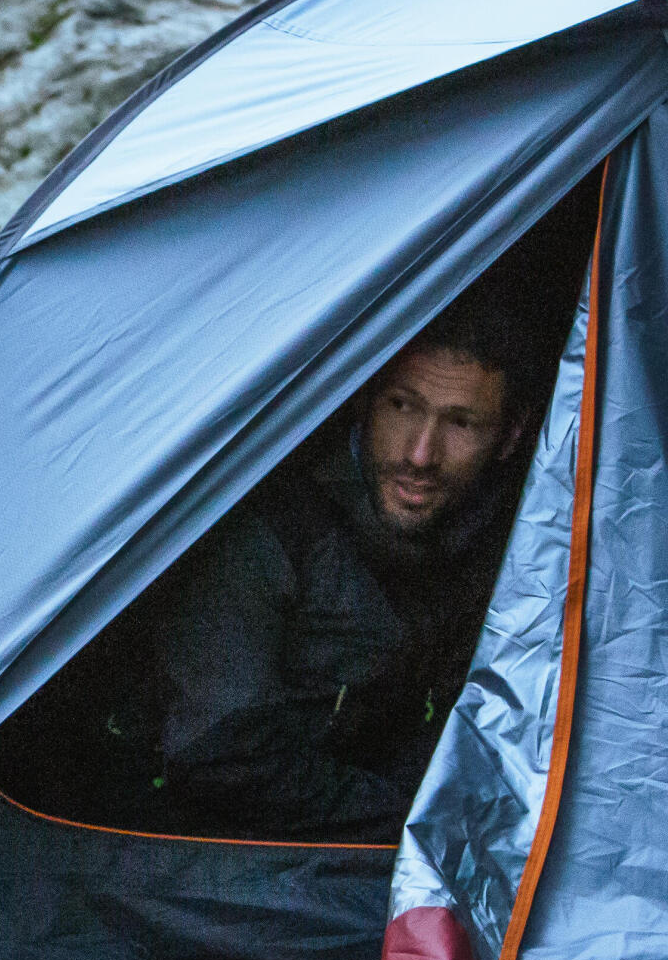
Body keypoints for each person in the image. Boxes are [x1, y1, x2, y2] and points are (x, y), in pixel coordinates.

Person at [148, 286, 538, 845]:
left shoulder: (518, 545)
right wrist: (418, 820)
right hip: (208, 850)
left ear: (510, 436)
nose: (420, 454)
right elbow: (218, 753)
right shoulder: (273, 527)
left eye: (461, 424)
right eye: (402, 406)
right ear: (365, 400)